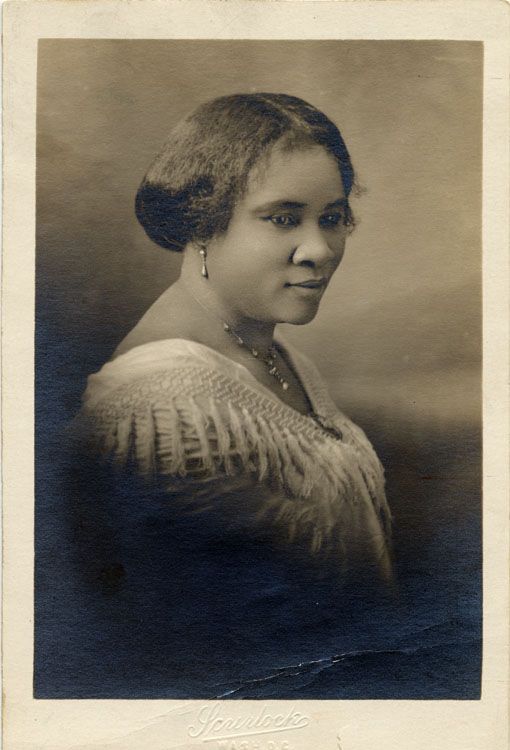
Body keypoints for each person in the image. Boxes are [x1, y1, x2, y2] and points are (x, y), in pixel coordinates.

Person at [71, 93, 394, 696]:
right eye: (282, 218)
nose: (319, 249)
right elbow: (194, 653)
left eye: (332, 217)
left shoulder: (276, 357)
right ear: (201, 222)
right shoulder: (161, 406)